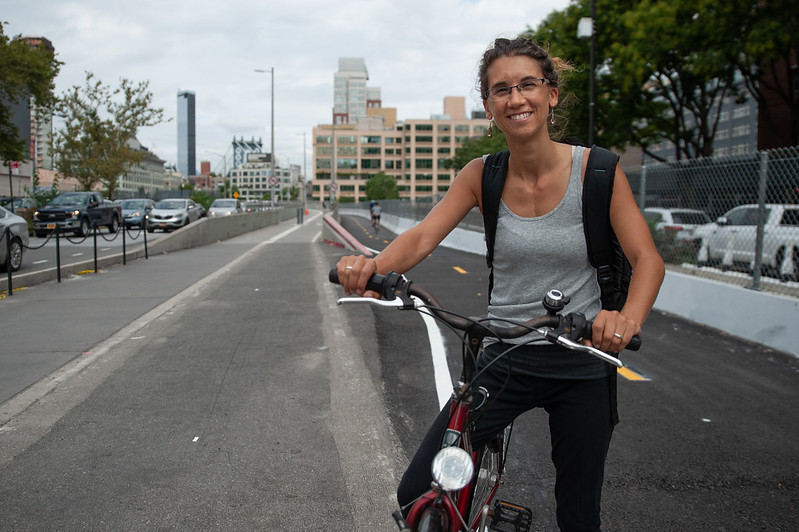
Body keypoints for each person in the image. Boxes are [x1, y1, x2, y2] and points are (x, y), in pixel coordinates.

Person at [336, 37, 664, 531]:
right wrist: (370, 268)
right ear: (489, 107)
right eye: (501, 90)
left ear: (551, 94)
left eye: (528, 84)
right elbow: (423, 236)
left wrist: (625, 319)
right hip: (505, 356)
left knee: (578, 514)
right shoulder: (480, 175)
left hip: (581, 357)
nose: (516, 98)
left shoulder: (596, 171)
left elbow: (648, 259)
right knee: (421, 493)